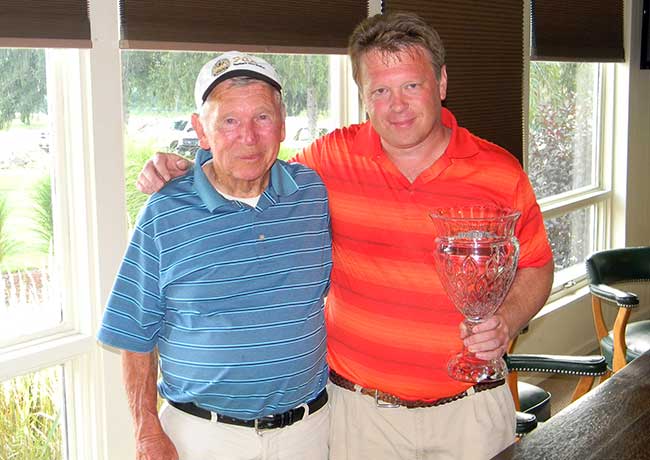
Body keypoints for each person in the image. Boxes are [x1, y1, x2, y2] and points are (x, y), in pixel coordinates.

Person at [137, 12, 554, 460]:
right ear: (363, 97)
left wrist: (506, 320)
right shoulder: (328, 161)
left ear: (442, 82)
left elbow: (536, 264)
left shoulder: (499, 172)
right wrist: (185, 167)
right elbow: (253, 158)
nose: (397, 105)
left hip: (471, 411)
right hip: (361, 417)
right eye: (380, 90)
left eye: (411, 85)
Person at [98, 52, 333, 460]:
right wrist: (146, 431)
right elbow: (134, 335)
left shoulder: (311, 194)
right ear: (200, 131)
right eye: (228, 120)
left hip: (308, 433)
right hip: (201, 437)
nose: (248, 136)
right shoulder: (165, 211)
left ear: (281, 123)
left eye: (262, 117)